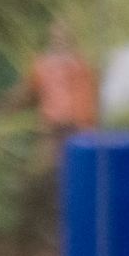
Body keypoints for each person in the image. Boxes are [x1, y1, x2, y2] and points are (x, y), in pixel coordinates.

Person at [10, 18, 99, 156]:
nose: (60, 40)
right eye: (57, 36)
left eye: (64, 36)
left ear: (72, 39)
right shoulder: (42, 65)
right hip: (53, 129)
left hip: (80, 130)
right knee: (49, 168)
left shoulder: (83, 66)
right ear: (52, 39)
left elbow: (94, 97)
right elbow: (26, 95)